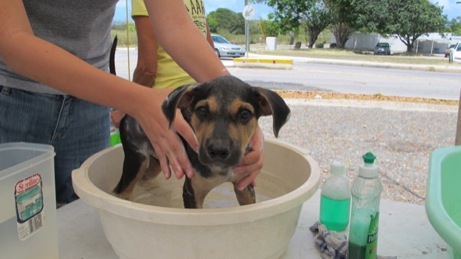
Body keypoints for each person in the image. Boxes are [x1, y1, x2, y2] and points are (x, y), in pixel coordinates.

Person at [0, 0, 263, 206]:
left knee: (87, 219)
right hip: (12, 96)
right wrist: (137, 100)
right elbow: (10, 39)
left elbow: (176, 26)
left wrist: (240, 105)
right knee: (10, 227)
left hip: (92, 98)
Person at [111, 0, 216, 125]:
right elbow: (209, 50)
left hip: (164, 106)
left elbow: (147, 69)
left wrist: (127, 108)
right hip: (196, 105)